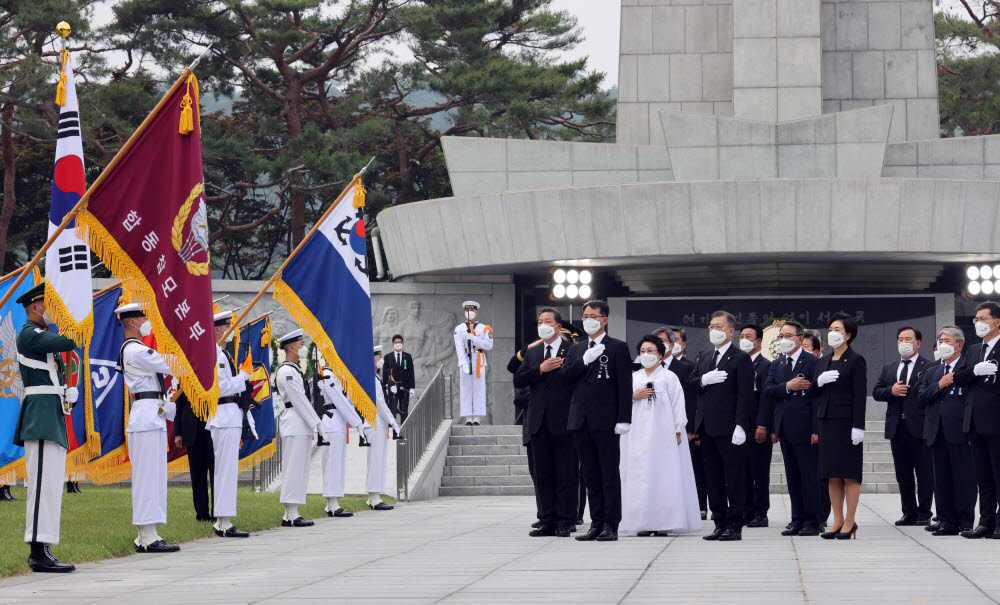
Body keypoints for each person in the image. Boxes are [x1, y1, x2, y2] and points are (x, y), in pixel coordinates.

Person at [13, 283, 78, 572]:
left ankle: (45, 547)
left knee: (51, 486)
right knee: (40, 486)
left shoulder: (40, 334)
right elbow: (69, 341)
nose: (53, 310)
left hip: (51, 414)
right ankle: (37, 552)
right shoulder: (29, 334)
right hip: (40, 416)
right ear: (35, 307)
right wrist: (75, 318)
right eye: (48, 305)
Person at [561, 300, 631, 542]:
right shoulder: (576, 349)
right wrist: (584, 361)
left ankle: (611, 524)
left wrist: (624, 418)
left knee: (609, 474)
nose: (588, 319)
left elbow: (624, 385)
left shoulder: (617, 347)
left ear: (605, 320)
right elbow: (565, 379)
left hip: (606, 420)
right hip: (580, 420)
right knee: (590, 475)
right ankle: (596, 523)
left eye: (594, 316)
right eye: (585, 315)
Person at [115, 303, 181, 553]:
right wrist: (194, 353)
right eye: (144, 317)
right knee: (147, 478)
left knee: (154, 477)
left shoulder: (139, 348)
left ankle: (150, 532)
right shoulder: (134, 350)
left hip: (151, 413)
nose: (147, 321)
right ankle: (145, 534)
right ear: (133, 322)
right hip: (145, 418)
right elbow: (170, 364)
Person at [621, 335, 701, 536]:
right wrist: (632, 396)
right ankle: (642, 522)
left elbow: (678, 405)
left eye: (651, 351)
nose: (646, 355)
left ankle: (665, 521)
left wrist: (677, 429)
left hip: (663, 434)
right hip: (637, 434)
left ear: (660, 354)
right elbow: (620, 404)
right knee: (640, 475)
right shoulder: (633, 378)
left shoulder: (668, 377)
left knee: (664, 475)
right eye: (642, 351)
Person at [687, 311, 753, 541]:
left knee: (734, 476)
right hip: (706, 426)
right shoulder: (705, 357)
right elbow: (692, 383)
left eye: (718, 326)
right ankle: (719, 521)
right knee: (712, 476)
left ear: (730, 331)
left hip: (729, 427)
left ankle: (735, 524)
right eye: (711, 326)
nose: (713, 330)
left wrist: (741, 425)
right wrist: (703, 380)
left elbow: (746, 395)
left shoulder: (740, 358)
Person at [514, 308, 577, 537]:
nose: (543, 324)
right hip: (538, 421)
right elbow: (519, 378)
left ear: (559, 326)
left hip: (564, 420)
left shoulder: (572, 350)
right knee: (542, 474)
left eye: (548, 321)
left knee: (565, 473)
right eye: (540, 321)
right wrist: (540, 369)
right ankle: (546, 519)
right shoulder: (533, 352)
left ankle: (565, 520)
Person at [810, 313, 867, 540]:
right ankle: (837, 520)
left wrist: (858, 426)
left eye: (837, 329)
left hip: (846, 422)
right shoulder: (823, 360)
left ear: (848, 334)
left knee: (849, 474)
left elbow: (860, 395)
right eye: (830, 328)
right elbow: (813, 392)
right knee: (832, 474)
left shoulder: (855, 360)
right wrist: (819, 381)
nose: (832, 333)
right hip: (827, 421)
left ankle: (850, 521)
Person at [764, 321, 821, 537]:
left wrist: (816, 430)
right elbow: (768, 391)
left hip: (806, 428)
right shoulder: (777, 363)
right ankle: (796, 519)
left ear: (799, 338)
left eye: (788, 335)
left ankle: (813, 521)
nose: (784, 340)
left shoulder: (813, 362)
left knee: (809, 477)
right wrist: (789, 386)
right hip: (785, 428)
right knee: (793, 477)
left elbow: (817, 398)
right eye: (781, 336)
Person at [917, 326, 976, 535]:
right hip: (936, 431)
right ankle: (946, 521)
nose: (942, 345)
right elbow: (921, 398)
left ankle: (965, 521)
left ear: (959, 345)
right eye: (940, 341)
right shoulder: (932, 370)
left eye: (947, 341)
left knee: (964, 478)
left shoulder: (968, 367)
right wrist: (939, 385)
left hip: (961, 431)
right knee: (940, 480)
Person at [872, 326, 933, 527]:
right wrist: (892, 390)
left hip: (920, 426)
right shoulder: (890, 367)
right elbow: (877, 392)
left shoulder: (928, 366)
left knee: (924, 472)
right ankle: (908, 512)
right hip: (897, 427)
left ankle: (924, 512)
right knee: (903, 474)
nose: (903, 343)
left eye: (908, 339)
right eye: (900, 339)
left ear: (918, 343)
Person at [953, 301, 1000, 539]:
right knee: (983, 476)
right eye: (976, 319)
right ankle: (986, 521)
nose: (978, 323)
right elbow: (958, 377)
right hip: (975, 421)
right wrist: (975, 371)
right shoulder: (973, 350)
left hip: (996, 421)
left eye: (983, 319)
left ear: (997, 321)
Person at [207, 311, 251, 539]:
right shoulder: (216, 354)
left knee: (227, 470)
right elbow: (221, 389)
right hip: (223, 416)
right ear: (217, 329)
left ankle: (225, 519)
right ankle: (222, 522)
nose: (231, 331)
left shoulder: (223, 353)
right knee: (224, 470)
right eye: (227, 327)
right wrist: (243, 378)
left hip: (228, 416)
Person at [274, 329, 321, 527]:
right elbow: (299, 401)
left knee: (301, 468)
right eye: (301, 344)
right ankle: (289, 513)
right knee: (293, 468)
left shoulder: (295, 370)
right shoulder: (286, 372)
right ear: (291, 347)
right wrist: (316, 423)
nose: (304, 348)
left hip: (300, 423)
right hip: (294, 421)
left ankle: (293, 512)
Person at [658, 327, 707, 520]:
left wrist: (691, 429)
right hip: (657, 428)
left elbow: (693, 399)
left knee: (692, 469)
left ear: (672, 344)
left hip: (683, 429)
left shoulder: (687, 367)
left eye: (663, 340)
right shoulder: (645, 369)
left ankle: (700, 506)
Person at [318, 367, 365, 517]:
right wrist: (357, 422)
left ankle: (334, 502)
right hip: (332, 422)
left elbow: (347, 399)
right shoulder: (327, 374)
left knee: (337, 464)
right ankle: (331, 504)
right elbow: (339, 399)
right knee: (332, 464)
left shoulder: (337, 374)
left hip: (338, 422)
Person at [740, 324, 772, 528]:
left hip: (757, 428)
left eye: (748, 336)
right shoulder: (736, 363)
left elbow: (766, 399)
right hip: (739, 428)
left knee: (759, 472)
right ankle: (745, 510)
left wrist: (762, 424)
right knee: (742, 472)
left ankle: (761, 512)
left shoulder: (766, 365)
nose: (743, 339)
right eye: (741, 335)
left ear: (758, 341)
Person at [368, 346, 402, 510]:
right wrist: (393, 422)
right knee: (376, 460)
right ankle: (374, 497)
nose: (381, 358)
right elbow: (380, 404)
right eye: (378, 356)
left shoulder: (376, 377)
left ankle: (374, 496)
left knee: (379, 459)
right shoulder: (371, 378)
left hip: (378, 422)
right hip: (375, 422)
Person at [173, 392, 214, 522]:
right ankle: (202, 514)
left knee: (216, 475)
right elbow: (178, 407)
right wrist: (178, 433)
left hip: (213, 429)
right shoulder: (185, 376)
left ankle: (218, 513)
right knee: (197, 476)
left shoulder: (213, 373)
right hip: (192, 432)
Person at [454, 301, 493, 426]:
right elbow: (459, 347)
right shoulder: (459, 328)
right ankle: (467, 418)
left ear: (477, 312)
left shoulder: (484, 328)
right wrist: (463, 363)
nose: (469, 313)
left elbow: (489, 345)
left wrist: (475, 339)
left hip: (479, 359)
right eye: (467, 311)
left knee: (478, 388)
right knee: (465, 389)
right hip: (466, 357)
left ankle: (477, 417)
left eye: (472, 310)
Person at [383, 334, 416, 423]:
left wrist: (412, 388)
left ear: (403, 343)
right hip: (392, 389)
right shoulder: (388, 357)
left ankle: (404, 431)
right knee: (392, 410)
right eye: (396, 342)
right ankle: (393, 432)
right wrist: (386, 387)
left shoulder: (407, 357)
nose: (398, 344)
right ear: (393, 344)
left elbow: (411, 373)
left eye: (400, 342)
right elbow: (385, 373)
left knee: (404, 410)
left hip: (404, 388)